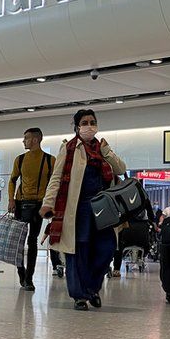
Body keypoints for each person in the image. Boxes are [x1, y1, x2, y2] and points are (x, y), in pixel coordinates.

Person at [41, 110, 126, 311]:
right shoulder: (69, 148)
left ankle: (92, 288)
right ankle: (80, 295)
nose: (89, 126)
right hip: (78, 208)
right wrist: (48, 203)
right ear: (77, 127)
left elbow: (121, 169)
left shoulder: (103, 148)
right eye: (85, 122)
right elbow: (56, 178)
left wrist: (107, 152)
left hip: (103, 209)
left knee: (106, 249)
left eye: (92, 122)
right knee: (78, 252)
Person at [8, 128, 63, 291]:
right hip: (21, 204)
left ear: (35, 140)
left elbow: (55, 183)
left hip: (39, 206)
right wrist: (11, 199)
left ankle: (29, 278)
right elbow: (12, 180)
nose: (23, 141)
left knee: (32, 240)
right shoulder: (20, 159)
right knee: (19, 241)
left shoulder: (50, 160)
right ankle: (21, 273)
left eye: (26, 138)